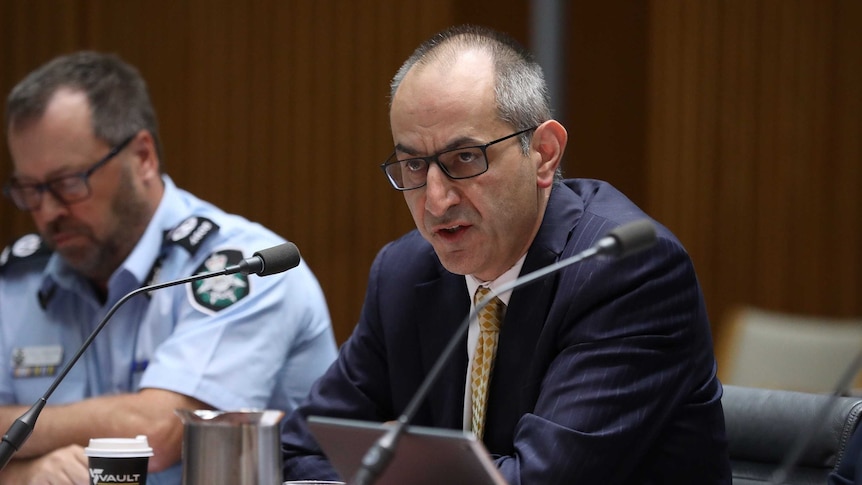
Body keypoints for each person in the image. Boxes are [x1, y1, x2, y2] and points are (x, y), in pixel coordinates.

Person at [281, 24, 731, 484]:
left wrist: (391, 471)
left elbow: (541, 478)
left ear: (543, 153)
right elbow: (302, 448)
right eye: (414, 164)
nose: (436, 201)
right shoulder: (404, 273)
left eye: (465, 159)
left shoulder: (626, 271)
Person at [0, 51, 338, 485]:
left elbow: (161, 432)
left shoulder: (240, 267)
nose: (47, 213)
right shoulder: (19, 280)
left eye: (67, 184)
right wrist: (24, 474)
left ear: (142, 156)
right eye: (29, 190)